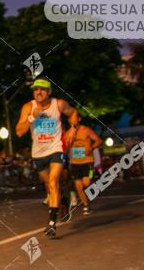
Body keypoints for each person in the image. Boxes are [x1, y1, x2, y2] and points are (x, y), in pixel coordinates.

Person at [15, 78, 75, 237]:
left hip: (57, 148)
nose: (38, 92)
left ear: (49, 92)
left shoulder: (59, 104)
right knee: (49, 186)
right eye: (35, 90)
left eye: (42, 89)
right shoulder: (28, 107)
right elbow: (19, 132)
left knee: (53, 181)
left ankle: (51, 223)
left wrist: (73, 128)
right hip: (38, 153)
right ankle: (62, 201)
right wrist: (31, 117)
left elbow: (74, 113)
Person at [64, 111, 102, 215]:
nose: (71, 120)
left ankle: (91, 181)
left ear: (79, 119)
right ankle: (86, 206)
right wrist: (68, 144)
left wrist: (91, 148)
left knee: (86, 183)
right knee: (78, 186)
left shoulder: (86, 130)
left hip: (88, 162)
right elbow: (65, 149)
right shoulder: (67, 133)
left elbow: (99, 140)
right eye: (69, 119)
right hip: (75, 163)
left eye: (74, 118)